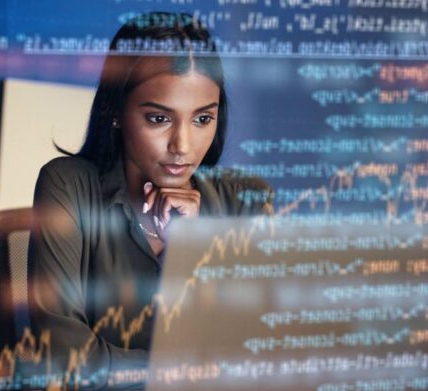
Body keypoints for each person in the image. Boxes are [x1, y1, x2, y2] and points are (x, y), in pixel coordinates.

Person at [25, 12, 273, 389]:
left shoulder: (247, 200)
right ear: (115, 112)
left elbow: (259, 356)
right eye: (159, 119)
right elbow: (66, 357)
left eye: (202, 120)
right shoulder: (68, 185)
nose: (183, 147)